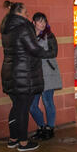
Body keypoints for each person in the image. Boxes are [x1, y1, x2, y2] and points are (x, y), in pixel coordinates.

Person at [1, 2, 55, 152]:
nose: (27, 14)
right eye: (25, 12)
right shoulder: (23, 27)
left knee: (16, 108)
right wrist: (48, 53)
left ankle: (13, 139)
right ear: (19, 12)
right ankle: (23, 142)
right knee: (23, 109)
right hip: (23, 74)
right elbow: (33, 49)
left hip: (10, 72)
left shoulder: (6, 28)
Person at [29, 13, 62, 141]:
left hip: (48, 72)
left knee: (48, 101)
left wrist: (38, 53)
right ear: (34, 23)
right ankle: (42, 126)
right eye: (39, 21)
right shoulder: (29, 36)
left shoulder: (49, 35)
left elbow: (54, 52)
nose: (42, 24)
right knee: (32, 105)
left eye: (44, 21)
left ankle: (50, 128)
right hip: (34, 74)